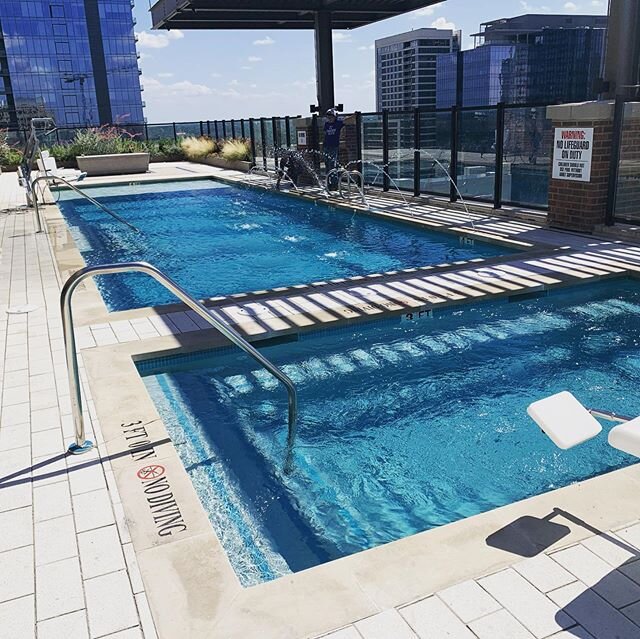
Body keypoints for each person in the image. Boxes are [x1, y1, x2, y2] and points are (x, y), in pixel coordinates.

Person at [323, 108, 345, 190]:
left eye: (331, 116)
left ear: (335, 116)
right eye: (328, 116)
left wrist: (355, 115)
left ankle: (334, 184)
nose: (329, 118)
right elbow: (325, 134)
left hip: (334, 146)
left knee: (332, 165)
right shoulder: (326, 124)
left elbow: (346, 121)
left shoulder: (338, 123)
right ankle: (328, 183)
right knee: (327, 165)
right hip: (326, 146)